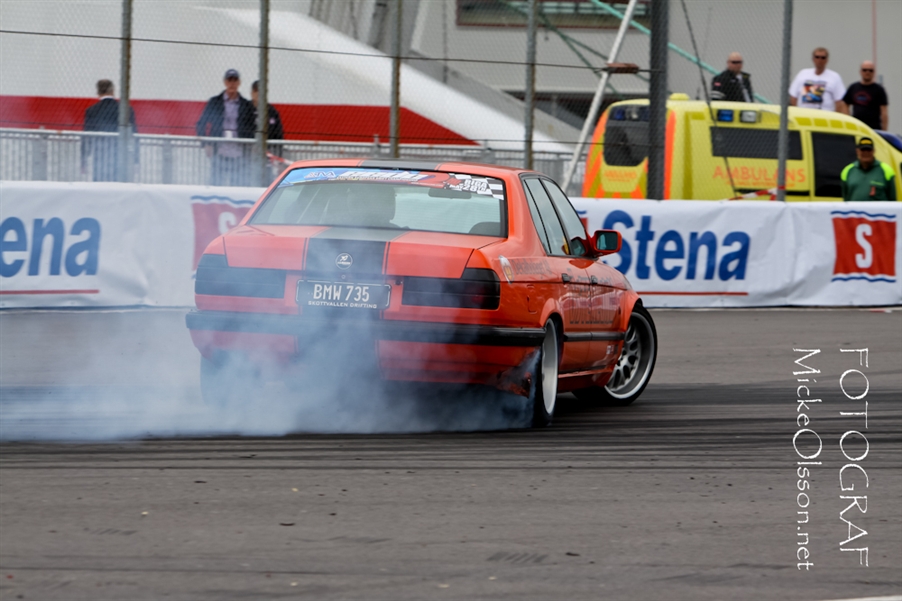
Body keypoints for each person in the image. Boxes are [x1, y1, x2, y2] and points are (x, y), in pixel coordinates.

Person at [195, 69, 256, 186]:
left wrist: (250, 146)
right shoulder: (215, 102)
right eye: (229, 80)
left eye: (235, 80)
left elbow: (252, 127)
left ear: (239, 82)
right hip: (219, 151)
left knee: (238, 184)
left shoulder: (246, 105)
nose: (232, 84)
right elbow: (201, 123)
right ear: (225, 82)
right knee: (216, 183)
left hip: (239, 153)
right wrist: (206, 144)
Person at [81, 79, 136, 182]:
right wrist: (136, 160)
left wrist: (84, 159)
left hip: (99, 153)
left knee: (99, 182)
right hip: (119, 152)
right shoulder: (127, 109)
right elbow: (134, 135)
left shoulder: (91, 111)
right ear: (113, 91)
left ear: (98, 92)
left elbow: (87, 136)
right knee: (119, 182)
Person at [789, 48, 847, 113]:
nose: (820, 60)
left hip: (825, 115)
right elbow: (793, 97)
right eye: (817, 57)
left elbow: (839, 100)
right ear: (813, 59)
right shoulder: (803, 74)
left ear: (827, 60)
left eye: (823, 58)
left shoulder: (834, 77)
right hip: (804, 114)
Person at [841, 137, 896, 201]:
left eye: (869, 150)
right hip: (854, 208)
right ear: (857, 151)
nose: (866, 152)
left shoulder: (886, 170)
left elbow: (892, 200)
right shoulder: (848, 171)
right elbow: (846, 199)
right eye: (863, 150)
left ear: (874, 151)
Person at [842, 61, 889, 131]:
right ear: (860, 71)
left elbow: (884, 112)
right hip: (856, 128)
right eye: (865, 70)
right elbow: (845, 104)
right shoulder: (853, 87)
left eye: (870, 70)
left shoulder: (879, 90)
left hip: (873, 129)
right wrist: (848, 121)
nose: (867, 72)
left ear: (874, 72)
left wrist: (884, 131)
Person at [251, 80, 285, 157]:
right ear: (252, 93)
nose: (259, 94)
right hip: (249, 153)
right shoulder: (247, 109)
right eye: (256, 90)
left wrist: (277, 155)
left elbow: (278, 135)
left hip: (268, 153)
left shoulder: (272, 112)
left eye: (261, 91)